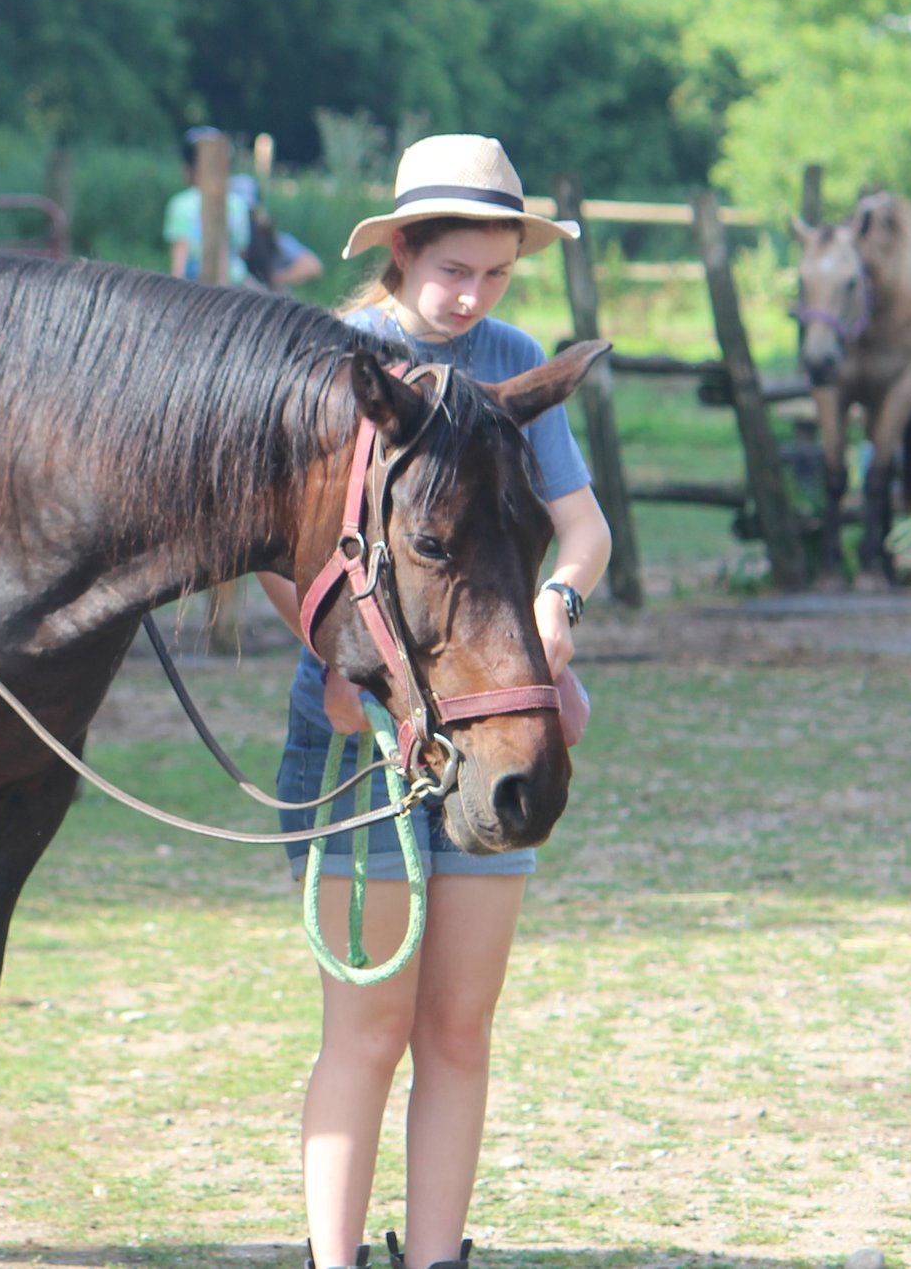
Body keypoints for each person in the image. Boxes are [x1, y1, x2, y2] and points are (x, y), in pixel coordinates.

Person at [253, 135, 611, 1269]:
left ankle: (438, 1254)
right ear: (401, 252)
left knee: (458, 1024)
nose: (473, 296)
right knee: (367, 1029)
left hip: (484, 715)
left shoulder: (508, 360)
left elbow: (583, 529)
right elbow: (274, 547)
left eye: (496, 273)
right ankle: (334, 1258)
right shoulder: (340, 362)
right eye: (454, 268)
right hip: (360, 739)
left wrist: (553, 616)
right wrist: (338, 659)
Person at [165, 128, 321, 289]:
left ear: (189, 168)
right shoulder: (236, 204)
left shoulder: (181, 204)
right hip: (235, 282)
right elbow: (241, 252)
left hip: (195, 282)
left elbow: (179, 262)